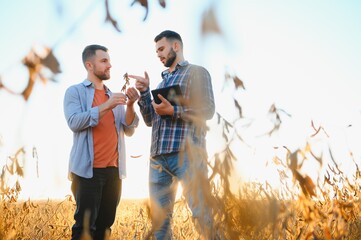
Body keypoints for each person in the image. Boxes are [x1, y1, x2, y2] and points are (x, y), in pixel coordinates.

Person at [128, 30, 215, 239]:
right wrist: (145, 92)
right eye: (156, 51)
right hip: (158, 159)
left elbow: (208, 110)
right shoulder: (161, 84)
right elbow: (150, 120)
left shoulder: (197, 72)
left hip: (187, 154)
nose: (158, 55)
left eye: (161, 49)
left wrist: (173, 111)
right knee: (160, 225)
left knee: (202, 215)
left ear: (175, 46)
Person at [63, 44, 139, 240]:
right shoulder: (75, 92)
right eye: (104, 61)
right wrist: (106, 106)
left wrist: (130, 105)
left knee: (105, 228)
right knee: (84, 229)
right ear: (89, 65)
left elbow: (129, 129)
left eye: (109, 61)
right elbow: (74, 122)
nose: (109, 65)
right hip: (88, 172)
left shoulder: (112, 96)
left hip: (114, 172)